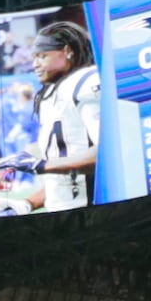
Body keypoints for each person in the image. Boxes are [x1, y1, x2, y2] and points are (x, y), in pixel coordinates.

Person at [27, 23, 98, 211]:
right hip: (66, 209)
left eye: (42, 56)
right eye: (34, 57)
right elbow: (60, 180)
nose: (35, 64)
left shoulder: (86, 81)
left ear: (67, 51)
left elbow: (107, 152)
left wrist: (41, 165)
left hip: (91, 207)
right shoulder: (50, 93)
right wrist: (26, 204)